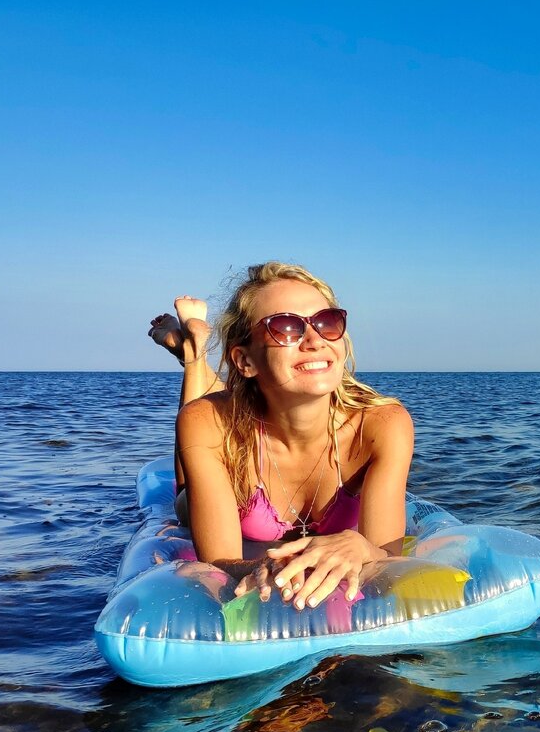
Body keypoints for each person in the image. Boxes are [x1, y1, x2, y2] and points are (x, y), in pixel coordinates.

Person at [149, 262, 414, 612]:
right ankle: (193, 354)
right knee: (188, 479)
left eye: (327, 321)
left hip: (251, 404)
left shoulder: (382, 424)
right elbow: (219, 561)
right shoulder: (208, 423)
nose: (315, 340)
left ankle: (192, 348)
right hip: (229, 454)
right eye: (286, 327)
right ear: (244, 360)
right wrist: (259, 568)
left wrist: (363, 548)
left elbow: (386, 556)